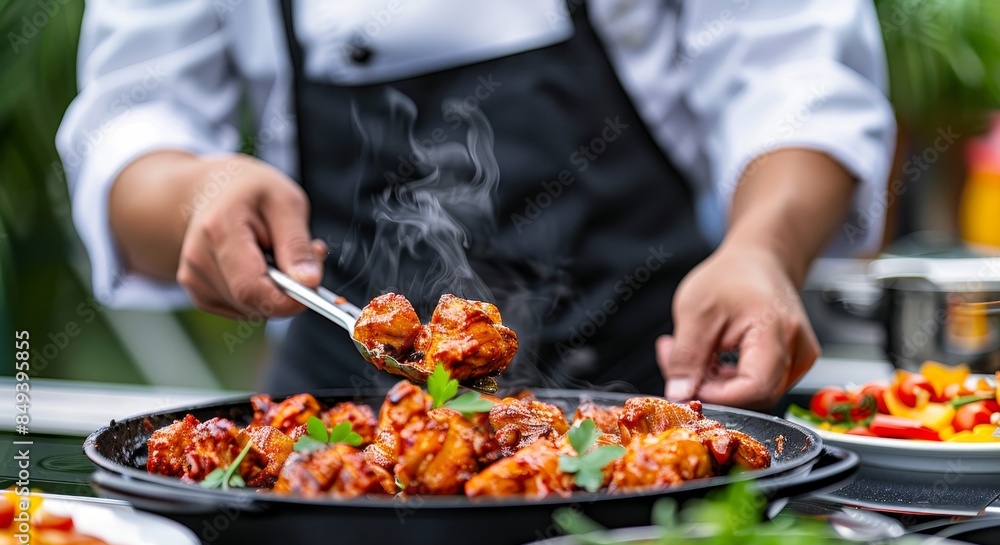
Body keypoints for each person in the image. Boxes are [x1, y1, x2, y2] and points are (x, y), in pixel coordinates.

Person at [57, 1, 895, 410]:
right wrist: (196, 195)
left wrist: (761, 249)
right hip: (333, 441)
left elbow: (798, 70)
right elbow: (131, 120)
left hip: (665, 396)